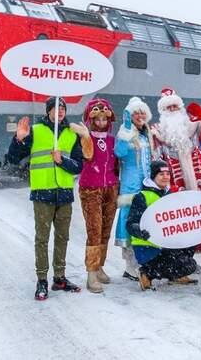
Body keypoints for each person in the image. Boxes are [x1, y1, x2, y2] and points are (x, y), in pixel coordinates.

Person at [7, 97, 84, 300]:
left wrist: (62, 161)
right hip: (43, 193)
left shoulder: (71, 133)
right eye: (56, 108)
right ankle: (42, 280)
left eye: (63, 108)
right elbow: (13, 159)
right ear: (48, 111)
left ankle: (59, 278)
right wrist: (19, 139)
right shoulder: (36, 130)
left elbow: (78, 166)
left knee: (62, 237)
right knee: (42, 239)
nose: (60, 112)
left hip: (65, 193)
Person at [127, 160, 199, 290]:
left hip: (165, 245)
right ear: (153, 176)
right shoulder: (142, 196)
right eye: (161, 174)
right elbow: (131, 224)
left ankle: (175, 274)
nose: (165, 177)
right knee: (187, 265)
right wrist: (140, 231)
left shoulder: (170, 195)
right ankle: (147, 273)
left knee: (191, 248)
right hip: (148, 247)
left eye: (167, 173)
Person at [77, 98, 119, 293]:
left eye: (104, 119)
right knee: (94, 230)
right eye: (98, 119)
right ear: (91, 119)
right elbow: (87, 156)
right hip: (91, 188)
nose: (102, 123)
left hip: (110, 187)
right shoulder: (86, 138)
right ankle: (91, 273)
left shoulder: (112, 140)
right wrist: (85, 137)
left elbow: (116, 164)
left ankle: (100, 266)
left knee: (105, 231)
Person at [151, 87, 201, 192]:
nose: (172, 109)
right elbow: (156, 161)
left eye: (174, 106)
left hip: (200, 179)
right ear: (163, 111)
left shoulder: (195, 124)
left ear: (180, 107)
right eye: (168, 107)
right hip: (174, 183)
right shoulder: (157, 131)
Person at [114, 97, 155, 281]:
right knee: (129, 221)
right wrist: (127, 130)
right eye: (135, 112)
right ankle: (130, 266)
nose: (140, 116)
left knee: (144, 222)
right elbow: (120, 153)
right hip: (130, 185)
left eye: (142, 112)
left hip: (146, 184)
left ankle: (143, 262)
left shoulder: (148, 134)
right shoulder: (125, 132)